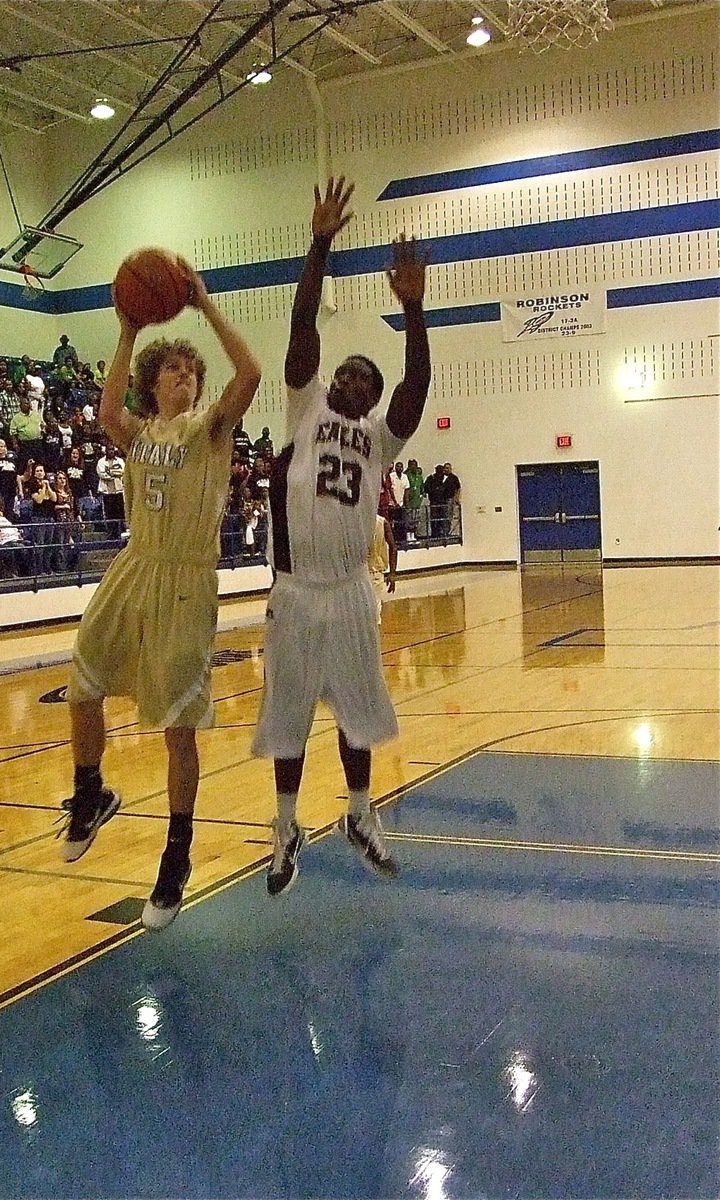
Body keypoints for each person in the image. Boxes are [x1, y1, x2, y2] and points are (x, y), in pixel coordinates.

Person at [59, 259, 261, 931]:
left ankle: (177, 854)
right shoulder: (140, 433)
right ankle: (90, 792)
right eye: (172, 370)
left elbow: (251, 375)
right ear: (156, 382)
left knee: (179, 728)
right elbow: (107, 410)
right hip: (133, 568)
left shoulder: (212, 431)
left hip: (184, 579)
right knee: (81, 683)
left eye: (191, 371)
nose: (184, 376)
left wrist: (205, 305)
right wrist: (126, 331)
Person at [251, 176, 430, 895]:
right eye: (346, 371)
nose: (350, 378)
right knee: (288, 716)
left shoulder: (380, 437)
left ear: (372, 397)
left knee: (357, 710)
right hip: (294, 591)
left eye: (363, 378)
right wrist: (319, 242)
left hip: (352, 591)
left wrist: (414, 311)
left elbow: (417, 386)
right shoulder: (303, 404)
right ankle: (286, 825)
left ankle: (360, 814)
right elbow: (302, 328)